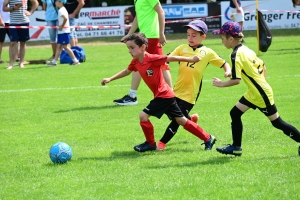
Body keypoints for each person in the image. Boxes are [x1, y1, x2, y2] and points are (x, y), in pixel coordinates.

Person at [101, 33, 217, 152]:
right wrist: (110, 78)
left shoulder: (151, 58)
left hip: (164, 95)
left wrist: (191, 59)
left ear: (142, 47)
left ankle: (150, 144)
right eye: (128, 48)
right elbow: (126, 71)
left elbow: (171, 58)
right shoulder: (135, 62)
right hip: (167, 96)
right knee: (181, 120)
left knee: (143, 116)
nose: (129, 51)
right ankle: (208, 138)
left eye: (132, 48)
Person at [212, 21, 300, 156]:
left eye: (222, 38)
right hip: (255, 92)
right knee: (234, 113)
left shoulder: (235, 54)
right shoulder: (246, 49)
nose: (222, 41)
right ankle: (236, 148)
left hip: (260, 94)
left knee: (277, 122)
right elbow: (262, 67)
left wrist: (221, 84)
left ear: (230, 38)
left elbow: (236, 81)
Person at [157, 20, 231, 150]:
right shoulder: (181, 48)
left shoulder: (207, 52)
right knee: (171, 113)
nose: (190, 38)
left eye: (194, 35)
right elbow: (167, 59)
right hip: (176, 90)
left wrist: (228, 70)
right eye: (188, 34)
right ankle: (190, 119)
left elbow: (224, 63)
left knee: (177, 120)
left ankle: (162, 143)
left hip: (190, 93)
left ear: (203, 36)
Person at [113, 0, 172, 106]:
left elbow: (161, 12)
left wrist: (161, 33)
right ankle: (171, 95)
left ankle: (132, 96)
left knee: (139, 63)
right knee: (161, 64)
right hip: (145, 36)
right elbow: (137, 17)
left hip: (151, 36)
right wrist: (129, 35)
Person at [3, 0, 38, 70]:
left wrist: (30, 12)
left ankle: (21, 63)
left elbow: (36, 3)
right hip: (13, 22)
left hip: (24, 22)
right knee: (13, 42)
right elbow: (4, 8)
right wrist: (13, 8)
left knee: (23, 42)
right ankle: (11, 64)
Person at [47, 0, 79, 66]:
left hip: (64, 32)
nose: (55, 3)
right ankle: (54, 62)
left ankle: (75, 60)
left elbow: (65, 18)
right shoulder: (62, 9)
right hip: (62, 32)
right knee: (59, 46)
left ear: (60, 2)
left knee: (65, 47)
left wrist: (61, 26)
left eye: (56, 1)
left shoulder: (61, 10)